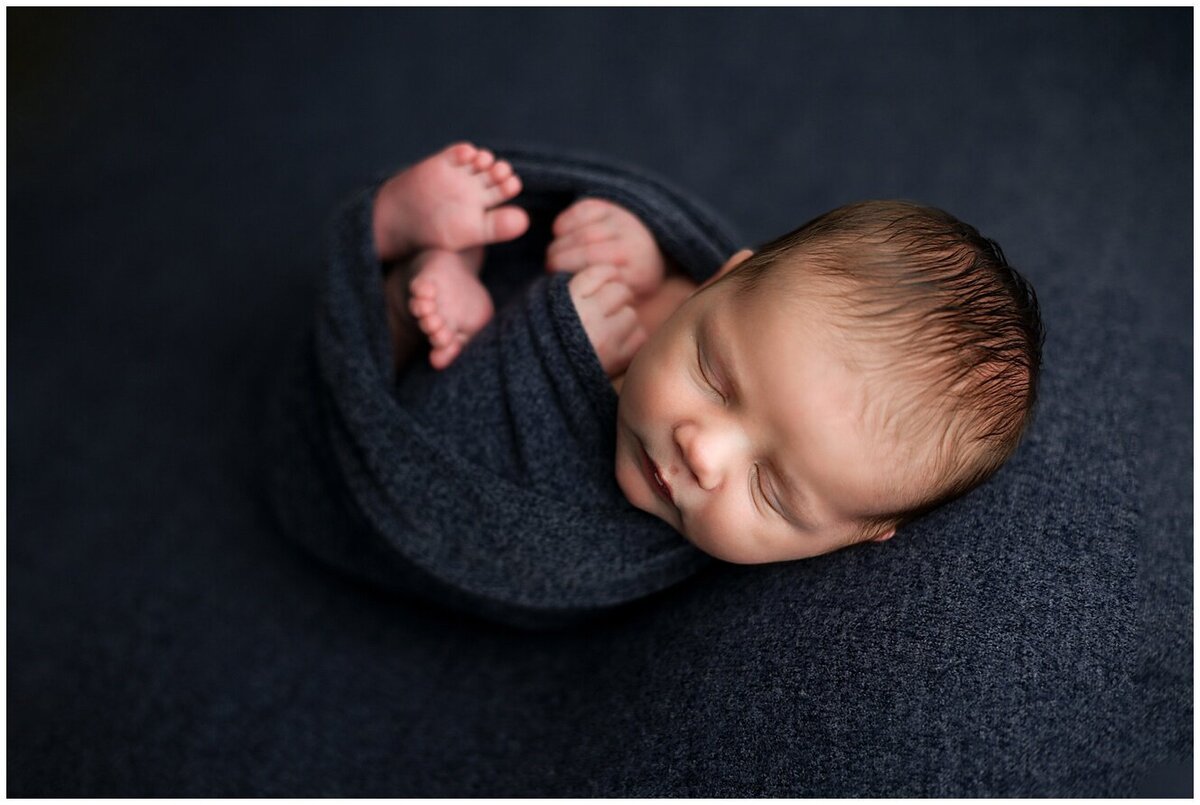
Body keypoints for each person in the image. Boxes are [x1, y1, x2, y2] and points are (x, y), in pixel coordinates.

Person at [372, 142, 1044, 565]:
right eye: (712, 374)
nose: (703, 452)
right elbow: (675, 274)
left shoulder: (639, 544)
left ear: (857, 533)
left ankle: (413, 279)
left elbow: (462, 516)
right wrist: (630, 248)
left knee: (413, 352)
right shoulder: (718, 299)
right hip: (499, 286)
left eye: (769, 489)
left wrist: (546, 346)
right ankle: (411, 231)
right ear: (722, 277)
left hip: (439, 411)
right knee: (495, 231)